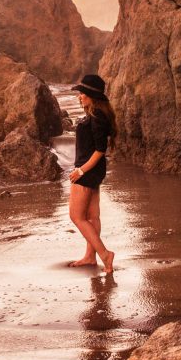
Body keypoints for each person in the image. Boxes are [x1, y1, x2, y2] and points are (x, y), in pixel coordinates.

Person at [68, 74, 117, 273]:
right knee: (92, 216)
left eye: (82, 94)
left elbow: (100, 150)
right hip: (94, 170)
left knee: (77, 216)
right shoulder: (96, 114)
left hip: (87, 171)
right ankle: (90, 256)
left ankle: (104, 254)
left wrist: (80, 170)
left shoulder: (97, 117)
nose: (79, 97)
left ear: (91, 96)